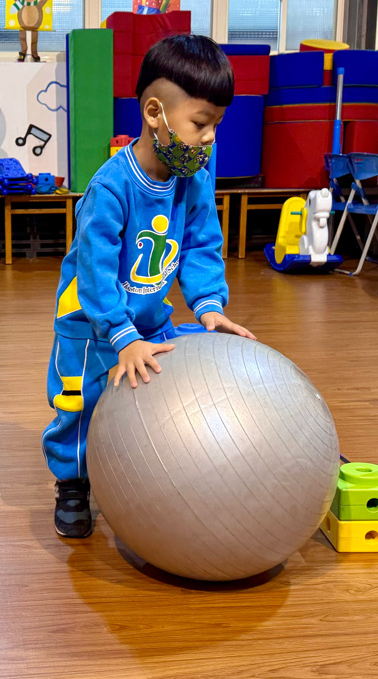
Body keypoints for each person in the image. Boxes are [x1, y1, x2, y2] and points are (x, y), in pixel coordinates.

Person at [42, 35, 255, 537]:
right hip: (91, 326)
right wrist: (120, 335)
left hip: (151, 318)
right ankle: (72, 483)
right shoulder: (110, 188)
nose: (210, 138)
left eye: (217, 125)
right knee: (80, 407)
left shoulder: (194, 180)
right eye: (200, 123)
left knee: (146, 400)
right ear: (155, 113)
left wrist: (208, 306)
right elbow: (94, 273)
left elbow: (202, 245)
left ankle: (137, 471)